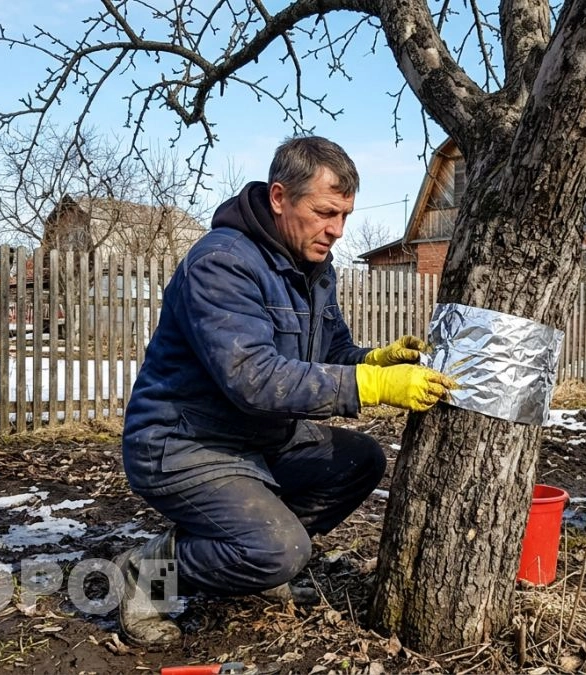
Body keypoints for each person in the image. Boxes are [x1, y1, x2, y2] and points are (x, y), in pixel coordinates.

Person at [118, 135, 456, 646]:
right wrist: (373, 384)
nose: (337, 230)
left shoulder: (314, 270)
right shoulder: (222, 262)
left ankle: (255, 559)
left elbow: (332, 350)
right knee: (280, 550)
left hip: (256, 437)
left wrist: (372, 359)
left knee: (358, 460)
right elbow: (253, 378)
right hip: (183, 442)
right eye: (325, 212)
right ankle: (152, 569)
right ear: (280, 198)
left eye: (344, 215)